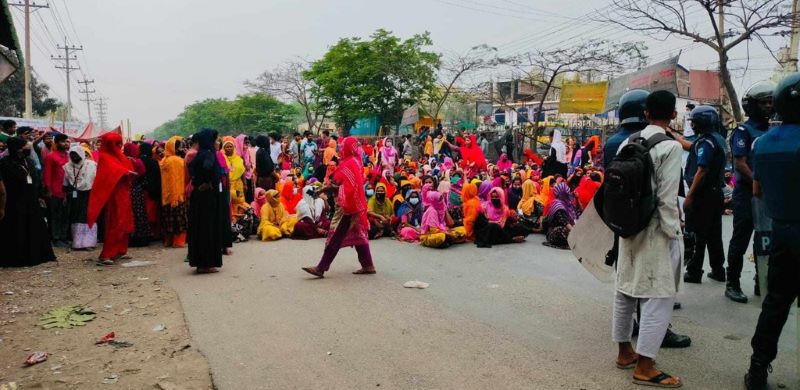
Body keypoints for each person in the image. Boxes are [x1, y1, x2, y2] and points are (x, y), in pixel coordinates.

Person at [611, 90, 683, 388]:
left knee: (625, 288)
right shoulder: (670, 146)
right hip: (655, 230)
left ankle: (624, 352)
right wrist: (673, 233)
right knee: (659, 293)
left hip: (627, 226)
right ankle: (645, 365)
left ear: (646, 113)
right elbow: (667, 198)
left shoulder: (629, 142)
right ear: (674, 115)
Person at [744, 72, 800, 390]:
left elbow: (757, 191)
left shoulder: (763, 143)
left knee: (775, 304)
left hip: (782, 232)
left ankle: (757, 371)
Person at [725, 82, 774, 303]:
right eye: (763, 102)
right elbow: (740, 163)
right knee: (741, 239)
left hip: (767, 196)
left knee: (764, 240)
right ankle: (732, 284)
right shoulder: (744, 131)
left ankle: (760, 281)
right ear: (753, 105)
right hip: (747, 193)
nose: (768, 106)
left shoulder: (772, 130)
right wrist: (758, 181)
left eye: (770, 102)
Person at [302, 136, 375, 278]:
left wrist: (324, 190)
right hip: (355, 204)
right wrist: (325, 189)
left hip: (349, 206)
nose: (341, 149)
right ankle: (368, 264)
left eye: (343, 147)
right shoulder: (356, 161)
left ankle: (321, 267)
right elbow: (343, 184)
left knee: (336, 236)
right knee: (359, 235)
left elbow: (342, 185)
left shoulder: (349, 163)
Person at [683, 106, 727, 284]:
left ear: (701, 122)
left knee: (696, 234)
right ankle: (718, 270)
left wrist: (690, 196)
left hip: (702, 195)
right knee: (714, 234)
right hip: (715, 194)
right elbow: (690, 146)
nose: (692, 125)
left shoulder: (705, 142)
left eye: (694, 121)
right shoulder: (717, 139)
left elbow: (702, 170)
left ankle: (694, 272)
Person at [0, 137, 56, 267]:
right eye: (25, 145)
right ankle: (17, 258)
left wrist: (40, 193)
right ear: (17, 148)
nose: (28, 147)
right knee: (17, 228)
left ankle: (36, 255)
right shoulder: (4, 163)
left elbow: (35, 178)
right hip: (14, 201)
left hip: (31, 200)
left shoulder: (29, 161)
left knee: (33, 227)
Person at [87, 133, 135, 265]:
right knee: (115, 222)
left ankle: (121, 249)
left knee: (124, 221)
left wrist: (128, 172)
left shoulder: (119, 156)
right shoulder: (104, 157)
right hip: (113, 195)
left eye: (120, 144)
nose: (119, 146)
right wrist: (124, 172)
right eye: (116, 144)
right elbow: (110, 172)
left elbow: (126, 168)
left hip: (123, 193)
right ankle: (106, 254)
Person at [187, 129, 226, 273]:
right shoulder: (209, 154)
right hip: (207, 196)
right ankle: (206, 263)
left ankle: (200, 262)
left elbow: (191, 168)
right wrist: (208, 181)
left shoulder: (198, 155)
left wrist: (198, 181)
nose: (217, 143)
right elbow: (208, 167)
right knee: (207, 228)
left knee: (200, 228)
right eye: (215, 140)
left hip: (199, 195)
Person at [63, 143, 97, 250]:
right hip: (74, 194)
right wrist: (65, 195)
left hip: (89, 193)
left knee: (87, 217)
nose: (74, 157)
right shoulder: (67, 167)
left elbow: (95, 179)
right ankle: (77, 242)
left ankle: (88, 243)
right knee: (76, 217)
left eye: (76, 154)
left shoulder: (91, 165)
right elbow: (65, 183)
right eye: (72, 154)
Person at [42, 132, 70, 247]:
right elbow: (47, 175)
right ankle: (55, 238)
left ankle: (63, 236)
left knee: (65, 215)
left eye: (66, 141)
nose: (65, 144)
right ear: (57, 143)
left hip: (67, 191)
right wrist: (48, 190)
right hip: (55, 191)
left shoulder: (69, 156)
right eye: (63, 142)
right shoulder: (51, 157)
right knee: (55, 215)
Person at [160, 136, 189, 248]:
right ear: (175, 148)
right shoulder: (177, 161)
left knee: (168, 219)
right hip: (178, 195)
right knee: (179, 220)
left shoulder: (164, 160)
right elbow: (178, 178)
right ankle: (178, 242)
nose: (181, 148)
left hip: (166, 195)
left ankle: (168, 241)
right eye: (179, 146)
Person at [124, 142, 153, 247]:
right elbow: (144, 179)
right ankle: (141, 237)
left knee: (128, 214)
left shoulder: (122, 161)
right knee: (139, 214)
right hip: (137, 192)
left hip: (125, 192)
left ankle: (128, 238)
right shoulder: (137, 162)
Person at [543, 183, 577, 249]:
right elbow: (565, 223)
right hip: (555, 232)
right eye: (567, 193)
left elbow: (577, 214)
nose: (569, 194)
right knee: (561, 230)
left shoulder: (567, 204)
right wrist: (576, 233)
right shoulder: (558, 206)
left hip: (568, 229)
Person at [139, 142, 162, 239]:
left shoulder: (138, 161)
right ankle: (154, 233)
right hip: (152, 191)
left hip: (140, 191)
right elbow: (158, 178)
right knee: (152, 212)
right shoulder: (153, 162)